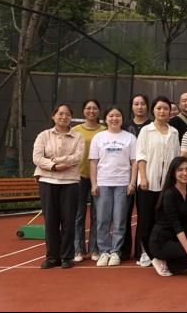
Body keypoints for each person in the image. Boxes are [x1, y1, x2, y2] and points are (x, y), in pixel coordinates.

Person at [33, 104, 84, 269]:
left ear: (71, 117)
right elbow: (37, 157)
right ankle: (52, 257)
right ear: (53, 116)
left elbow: (78, 157)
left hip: (70, 182)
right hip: (47, 182)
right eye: (60, 114)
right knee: (51, 221)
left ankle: (67, 257)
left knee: (69, 221)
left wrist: (59, 161)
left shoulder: (78, 137)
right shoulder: (43, 135)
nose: (64, 117)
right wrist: (53, 166)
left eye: (67, 114)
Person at [89, 106, 137, 267]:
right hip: (103, 183)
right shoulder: (98, 137)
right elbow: (93, 162)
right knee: (102, 220)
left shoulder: (130, 138)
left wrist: (132, 183)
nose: (114, 118)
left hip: (122, 184)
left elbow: (134, 162)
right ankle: (104, 251)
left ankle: (116, 251)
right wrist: (94, 183)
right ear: (105, 119)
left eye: (118, 116)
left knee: (120, 220)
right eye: (111, 116)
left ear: (122, 119)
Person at [136, 96, 181, 267]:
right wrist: (143, 178)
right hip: (148, 183)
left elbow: (176, 158)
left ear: (170, 112)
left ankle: (159, 252)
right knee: (145, 219)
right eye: (159, 108)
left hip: (166, 185)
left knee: (162, 220)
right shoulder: (146, 131)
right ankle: (145, 253)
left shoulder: (174, 132)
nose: (162, 111)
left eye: (166, 108)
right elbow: (141, 156)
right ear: (153, 110)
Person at [148, 157, 187, 277]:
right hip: (161, 241)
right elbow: (177, 226)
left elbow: (185, 218)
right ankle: (165, 262)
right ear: (173, 173)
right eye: (180, 170)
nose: (185, 173)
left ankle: (181, 262)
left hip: (176, 236)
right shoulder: (169, 194)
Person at [71, 99, 105, 263]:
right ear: (83, 110)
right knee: (79, 214)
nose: (91, 111)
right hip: (79, 176)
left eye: (94, 108)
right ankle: (78, 249)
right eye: (88, 108)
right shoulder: (75, 130)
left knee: (97, 215)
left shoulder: (104, 130)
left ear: (99, 111)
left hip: (100, 177)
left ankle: (94, 248)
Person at [121, 93, 152, 260]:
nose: (139, 107)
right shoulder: (124, 126)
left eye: (142, 103)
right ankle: (124, 250)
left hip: (146, 175)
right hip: (125, 175)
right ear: (132, 107)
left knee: (144, 215)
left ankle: (142, 251)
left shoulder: (152, 126)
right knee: (124, 214)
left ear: (147, 106)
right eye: (136, 104)